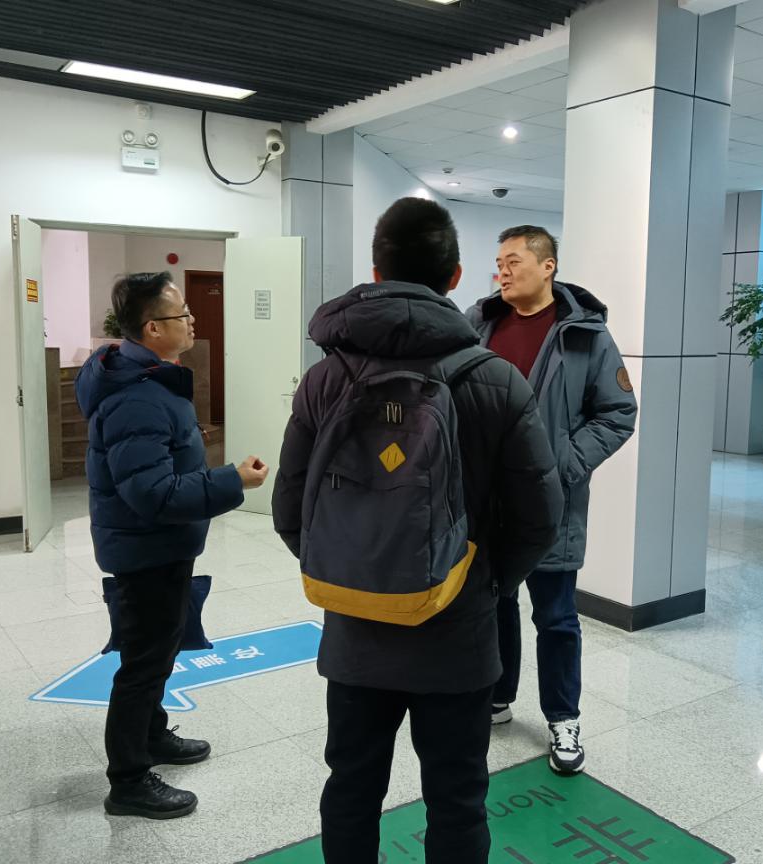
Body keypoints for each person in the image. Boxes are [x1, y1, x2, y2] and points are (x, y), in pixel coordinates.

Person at [272, 198, 563, 863]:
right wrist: (483, 583)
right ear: (455, 276)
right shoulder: (497, 380)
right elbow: (538, 518)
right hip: (458, 636)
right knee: (457, 797)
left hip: (356, 632)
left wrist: (354, 563)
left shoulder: (323, 380)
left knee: (351, 785)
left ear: (376, 271)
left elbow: (292, 510)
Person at [75, 271, 269, 819]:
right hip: (146, 550)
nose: (192, 320)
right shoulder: (136, 398)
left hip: (159, 547)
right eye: (182, 313)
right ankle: (128, 781)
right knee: (142, 665)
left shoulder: (149, 380)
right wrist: (232, 480)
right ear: (153, 328)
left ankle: (152, 736)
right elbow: (152, 494)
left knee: (158, 652)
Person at [468, 226, 637, 775]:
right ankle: (497, 696)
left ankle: (563, 718)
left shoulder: (585, 335)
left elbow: (618, 413)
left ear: (548, 266)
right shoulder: (478, 325)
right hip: (487, 501)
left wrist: (562, 466)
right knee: (493, 604)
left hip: (549, 503)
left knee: (557, 616)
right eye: (499, 262)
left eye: (514, 261)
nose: (502, 271)